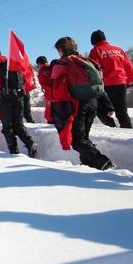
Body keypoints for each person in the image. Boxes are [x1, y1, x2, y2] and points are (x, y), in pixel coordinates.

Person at [50, 36, 114, 170]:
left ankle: (103, 162)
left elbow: (56, 89)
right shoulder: (87, 61)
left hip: (76, 105)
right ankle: (88, 165)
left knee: (77, 141)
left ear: (61, 49)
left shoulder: (63, 63)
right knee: (84, 137)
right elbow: (99, 85)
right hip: (92, 103)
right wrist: (107, 105)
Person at [0, 44, 37, 156]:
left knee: (7, 127)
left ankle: (14, 152)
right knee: (19, 124)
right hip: (19, 97)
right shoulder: (12, 61)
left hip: (4, 100)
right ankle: (31, 143)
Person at [89, 29, 133, 128]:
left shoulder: (96, 51)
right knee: (121, 111)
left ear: (93, 42)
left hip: (106, 86)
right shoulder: (119, 50)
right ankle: (129, 133)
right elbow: (129, 67)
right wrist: (128, 80)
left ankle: (112, 128)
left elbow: (93, 70)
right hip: (121, 84)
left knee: (101, 109)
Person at [36, 56, 54, 124]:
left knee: (50, 110)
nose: (38, 66)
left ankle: (50, 121)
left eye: (38, 64)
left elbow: (44, 83)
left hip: (49, 93)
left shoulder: (43, 70)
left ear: (40, 63)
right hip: (56, 92)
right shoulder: (52, 68)